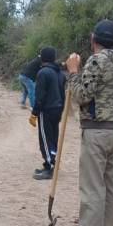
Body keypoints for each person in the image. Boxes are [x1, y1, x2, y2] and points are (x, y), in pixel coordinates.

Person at [61, 19, 113, 226]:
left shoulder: (96, 61)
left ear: (94, 40)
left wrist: (72, 72)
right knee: (111, 183)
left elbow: (82, 95)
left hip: (96, 130)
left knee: (92, 185)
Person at [29, 46, 66, 180]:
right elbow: (63, 95)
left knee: (44, 139)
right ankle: (49, 162)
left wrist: (34, 113)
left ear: (42, 58)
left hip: (46, 110)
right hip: (57, 110)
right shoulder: (60, 73)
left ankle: (50, 168)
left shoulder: (43, 73)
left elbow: (40, 97)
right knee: (53, 138)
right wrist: (61, 110)